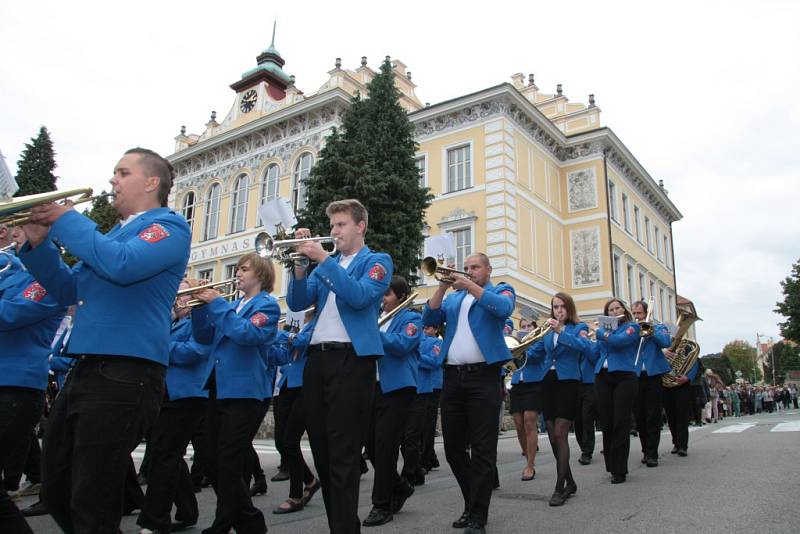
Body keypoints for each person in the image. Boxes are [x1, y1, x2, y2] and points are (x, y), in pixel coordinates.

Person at [19, 147, 190, 531]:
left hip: (127, 372)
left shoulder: (168, 226)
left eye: (122, 172)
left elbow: (122, 265)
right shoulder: (114, 234)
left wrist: (66, 221)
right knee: (58, 487)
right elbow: (66, 290)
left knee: (92, 497)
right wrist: (38, 244)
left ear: (151, 182)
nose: (112, 180)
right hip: (88, 367)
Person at [287, 199, 392, 534]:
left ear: (360, 226)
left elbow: (359, 296)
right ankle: (342, 526)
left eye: (341, 225)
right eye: (331, 225)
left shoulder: (376, 261)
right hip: (317, 360)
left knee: (344, 452)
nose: (334, 231)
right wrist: (301, 266)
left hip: (352, 360)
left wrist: (322, 260)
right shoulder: (326, 264)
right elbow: (298, 301)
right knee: (322, 450)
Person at [423, 253, 515, 534]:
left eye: (474, 267)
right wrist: (442, 286)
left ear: (487, 270)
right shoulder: (453, 298)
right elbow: (430, 316)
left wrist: (471, 286)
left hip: (483, 378)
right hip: (452, 377)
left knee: (483, 450)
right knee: (452, 449)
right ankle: (471, 503)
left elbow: (503, 308)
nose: (468, 271)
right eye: (465, 268)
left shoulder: (499, 289)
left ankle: (477, 515)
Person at [191, 253, 281, 534]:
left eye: (244, 269)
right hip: (219, 386)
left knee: (229, 461)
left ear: (261, 274)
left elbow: (246, 335)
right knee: (208, 458)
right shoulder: (231, 306)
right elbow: (204, 337)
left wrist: (216, 303)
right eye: (238, 269)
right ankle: (250, 521)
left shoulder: (267, 305)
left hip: (245, 391)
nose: (237, 273)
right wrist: (198, 306)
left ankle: (223, 524)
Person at [0, 224, 65, 532]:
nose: (11, 233)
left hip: (15, 386)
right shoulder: (9, 271)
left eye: (19, 226)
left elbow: (11, 314)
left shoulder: (50, 277)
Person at [137, 280, 211, 534]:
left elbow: (198, 351)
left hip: (187, 394)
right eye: (177, 293)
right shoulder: (169, 322)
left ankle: (154, 520)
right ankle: (187, 511)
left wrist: (161, 348)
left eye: (186, 292)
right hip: (162, 393)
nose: (180, 298)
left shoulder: (199, 319)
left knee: (164, 456)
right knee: (166, 453)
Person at [363, 276, 421, 527]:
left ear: (399, 296)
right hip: (372, 388)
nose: (382, 299)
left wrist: (374, 333)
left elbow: (403, 344)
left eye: (386, 294)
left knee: (386, 446)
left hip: (397, 387)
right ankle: (399, 485)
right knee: (372, 447)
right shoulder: (375, 318)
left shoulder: (411, 318)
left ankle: (381, 505)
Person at [526, 292, 591, 506]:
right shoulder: (546, 331)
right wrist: (520, 346)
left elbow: (585, 348)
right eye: (555, 307)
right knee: (553, 436)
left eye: (562, 306)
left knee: (560, 433)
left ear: (569, 308)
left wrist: (561, 330)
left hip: (569, 381)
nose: (559, 310)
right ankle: (570, 482)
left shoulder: (577, 328)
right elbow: (534, 352)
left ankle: (559, 488)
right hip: (549, 382)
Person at [272, 308, 320, 515]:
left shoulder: (320, 322)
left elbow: (303, 343)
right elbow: (284, 356)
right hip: (287, 383)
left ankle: (296, 495)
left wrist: (277, 333)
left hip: (305, 385)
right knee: (283, 440)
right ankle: (310, 480)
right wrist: (271, 342)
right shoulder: (297, 325)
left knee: (291, 439)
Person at [589, 298, 640, 484]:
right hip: (603, 376)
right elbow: (594, 353)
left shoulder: (633, 327)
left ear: (624, 311)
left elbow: (619, 342)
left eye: (617, 308)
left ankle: (620, 469)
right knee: (607, 422)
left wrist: (601, 333)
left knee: (621, 422)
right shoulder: (605, 331)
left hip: (624, 376)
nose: (614, 311)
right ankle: (611, 465)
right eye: (610, 309)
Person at [630, 300, 672, 467]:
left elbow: (666, 342)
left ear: (646, 313)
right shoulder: (632, 329)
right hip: (636, 375)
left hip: (653, 375)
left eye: (639, 314)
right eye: (634, 314)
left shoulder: (658, 327)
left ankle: (652, 453)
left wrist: (650, 330)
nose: (637, 317)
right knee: (639, 415)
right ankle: (645, 449)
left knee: (653, 415)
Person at [509, 323, 547, 482]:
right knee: (518, 425)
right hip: (517, 383)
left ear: (535, 328)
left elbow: (534, 356)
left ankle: (530, 465)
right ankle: (527, 460)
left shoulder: (540, 340)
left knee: (529, 422)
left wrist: (521, 348)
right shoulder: (517, 341)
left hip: (534, 383)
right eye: (523, 326)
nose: (526, 328)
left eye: (529, 326)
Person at [418, 326, 443, 474]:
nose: (425, 330)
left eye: (428, 328)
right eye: (424, 328)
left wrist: (415, 356)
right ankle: (430, 457)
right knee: (422, 425)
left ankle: (427, 457)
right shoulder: (421, 341)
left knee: (428, 425)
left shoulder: (437, 343)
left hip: (433, 385)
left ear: (435, 330)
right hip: (420, 384)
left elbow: (435, 361)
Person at [663, 357, 699, 456]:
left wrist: (688, 377)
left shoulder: (686, 345)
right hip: (666, 384)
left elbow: (694, 363)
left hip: (682, 384)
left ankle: (683, 445)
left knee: (682, 415)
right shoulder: (665, 346)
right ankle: (676, 442)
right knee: (670, 415)